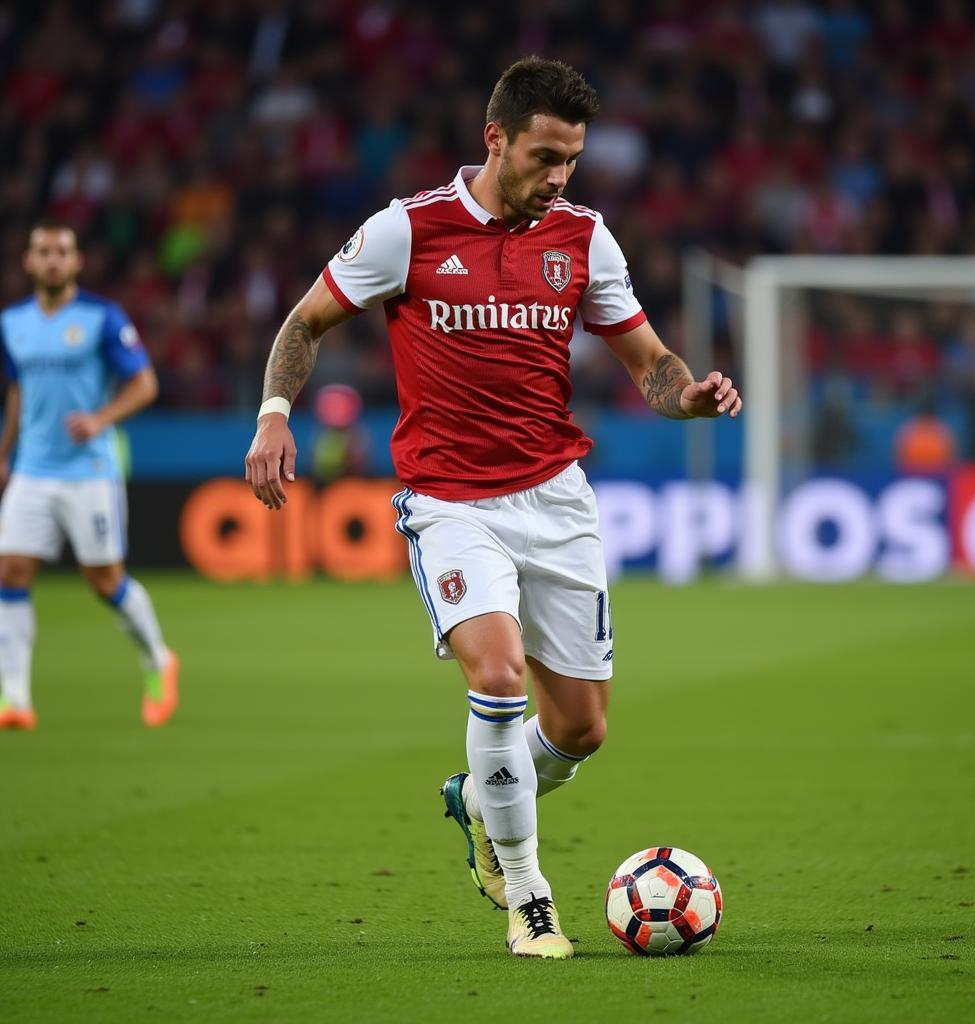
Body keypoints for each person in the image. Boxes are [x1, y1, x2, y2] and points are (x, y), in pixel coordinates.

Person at [245, 57, 741, 959]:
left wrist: (689, 396)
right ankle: (528, 891)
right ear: (496, 139)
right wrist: (275, 415)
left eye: (573, 161)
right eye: (545, 156)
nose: (559, 177)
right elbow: (302, 323)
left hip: (556, 498)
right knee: (500, 677)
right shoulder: (408, 231)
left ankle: (478, 796)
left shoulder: (585, 238)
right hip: (449, 503)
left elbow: (651, 364)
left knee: (582, 729)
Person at [0, 221, 179, 730]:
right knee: (9, 571)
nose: (52, 259)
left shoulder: (102, 318)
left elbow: (145, 384)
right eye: (43, 251)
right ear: (28, 262)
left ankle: (158, 659)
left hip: (89, 470)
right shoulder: (12, 323)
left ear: (76, 262)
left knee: (104, 581)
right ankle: (15, 699)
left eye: (61, 251)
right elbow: (18, 391)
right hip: (33, 468)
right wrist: (5, 451)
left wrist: (100, 420)